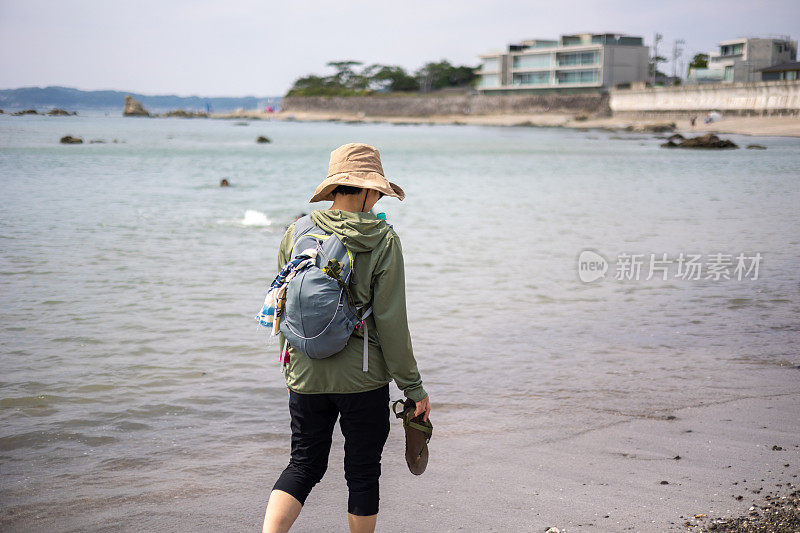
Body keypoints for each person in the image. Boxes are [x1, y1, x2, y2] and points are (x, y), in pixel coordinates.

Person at [262, 143, 431, 533]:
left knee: (303, 465)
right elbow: (391, 322)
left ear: (336, 187)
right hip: (363, 380)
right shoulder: (383, 239)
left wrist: (288, 371)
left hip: (304, 372)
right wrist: (414, 388)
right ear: (370, 190)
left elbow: (281, 306)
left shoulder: (297, 230)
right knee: (362, 472)